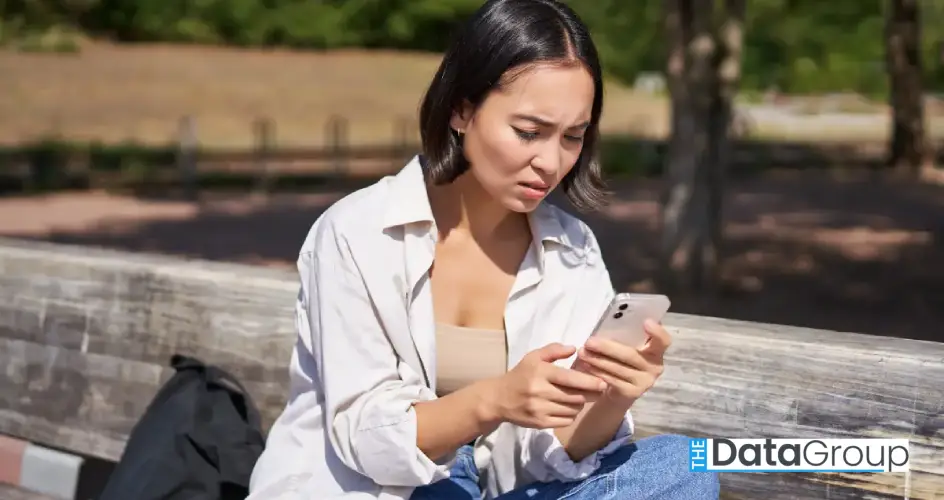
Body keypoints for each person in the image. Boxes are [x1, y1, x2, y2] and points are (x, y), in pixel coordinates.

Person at [247, 0, 720, 498]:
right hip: (370, 488)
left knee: (685, 465)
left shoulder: (572, 249)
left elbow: (550, 462)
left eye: (573, 137)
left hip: (492, 490)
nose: (551, 162)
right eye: (529, 132)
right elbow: (365, 442)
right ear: (461, 108)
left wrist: (611, 399)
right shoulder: (358, 232)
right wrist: (494, 399)